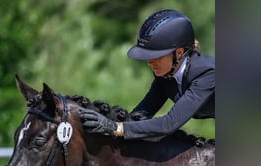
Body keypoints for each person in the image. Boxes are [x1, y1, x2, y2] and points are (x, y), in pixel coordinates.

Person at [80, 9, 214, 139]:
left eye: (157, 56)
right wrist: (106, 122)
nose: (150, 62)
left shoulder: (207, 74)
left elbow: (169, 124)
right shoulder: (166, 75)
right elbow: (141, 114)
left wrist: (115, 128)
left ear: (179, 53)